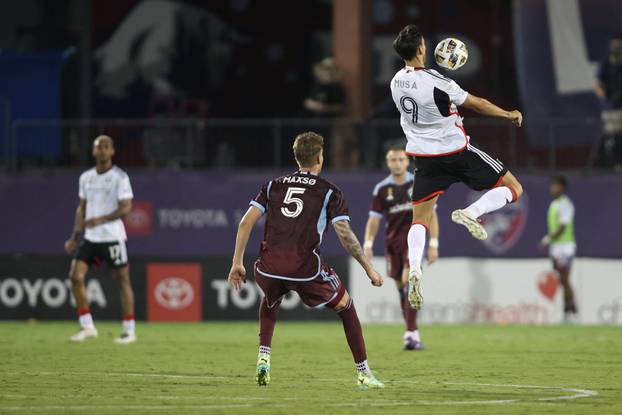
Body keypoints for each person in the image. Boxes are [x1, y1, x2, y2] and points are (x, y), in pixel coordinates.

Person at [228, 131, 385, 389]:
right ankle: (364, 373)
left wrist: (237, 263)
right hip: (305, 270)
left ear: (298, 158)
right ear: (319, 159)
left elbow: (245, 222)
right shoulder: (329, 191)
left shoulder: (273, 185)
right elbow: (345, 235)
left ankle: (263, 357)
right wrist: (369, 268)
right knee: (346, 307)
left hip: (268, 267)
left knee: (271, 298)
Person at [390, 25, 524, 309]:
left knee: (419, 220)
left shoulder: (395, 82)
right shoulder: (438, 81)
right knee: (514, 187)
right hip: (455, 151)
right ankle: (470, 213)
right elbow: (477, 103)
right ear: (422, 50)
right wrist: (507, 114)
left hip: (424, 158)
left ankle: (414, 267)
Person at [363, 145, 439, 350]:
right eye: (393, 160)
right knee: (401, 288)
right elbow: (374, 220)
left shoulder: (419, 184)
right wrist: (368, 244)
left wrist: (433, 244)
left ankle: (410, 334)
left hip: (413, 244)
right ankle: (412, 331)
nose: (397, 163)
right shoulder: (381, 189)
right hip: (392, 244)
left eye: (401, 160)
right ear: (388, 163)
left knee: (409, 281)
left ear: (407, 162)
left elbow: (431, 215)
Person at [63, 135, 137, 344]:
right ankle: (87, 326)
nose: (103, 150)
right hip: (90, 237)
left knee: (122, 281)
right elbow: (82, 209)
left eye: (106, 147)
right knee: (75, 277)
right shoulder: (86, 177)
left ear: (112, 151)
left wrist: (102, 219)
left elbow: (126, 207)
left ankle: (129, 330)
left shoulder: (120, 177)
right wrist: (74, 237)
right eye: (99, 147)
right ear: (94, 152)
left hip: (112, 237)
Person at [303, 58, 358, 169]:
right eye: (325, 70)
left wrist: (323, 108)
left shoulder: (337, 88)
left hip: (334, 123)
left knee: (336, 147)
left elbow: (340, 107)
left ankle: (336, 168)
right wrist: (314, 106)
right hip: (317, 123)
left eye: (330, 70)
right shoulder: (317, 86)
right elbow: (308, 102)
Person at [539, 176, 578, 322]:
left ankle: (570, 310)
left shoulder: (565, 204)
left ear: (562, 187)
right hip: (556, 248)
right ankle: (569, 308)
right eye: (552, 185)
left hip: (565, 247)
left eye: (555, 186)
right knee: (562, 280)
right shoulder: (553, 204)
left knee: (565, 279)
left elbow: (562, 227)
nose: (552, 188)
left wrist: (547, 239)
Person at [594, 34, 622, 171]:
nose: (616, 48)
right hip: (611, 107)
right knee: (611, 136)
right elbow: (598, 84)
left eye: (619, 45)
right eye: (614, 45)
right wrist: (603, 95)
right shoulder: (606, 63)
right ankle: (611, 164)